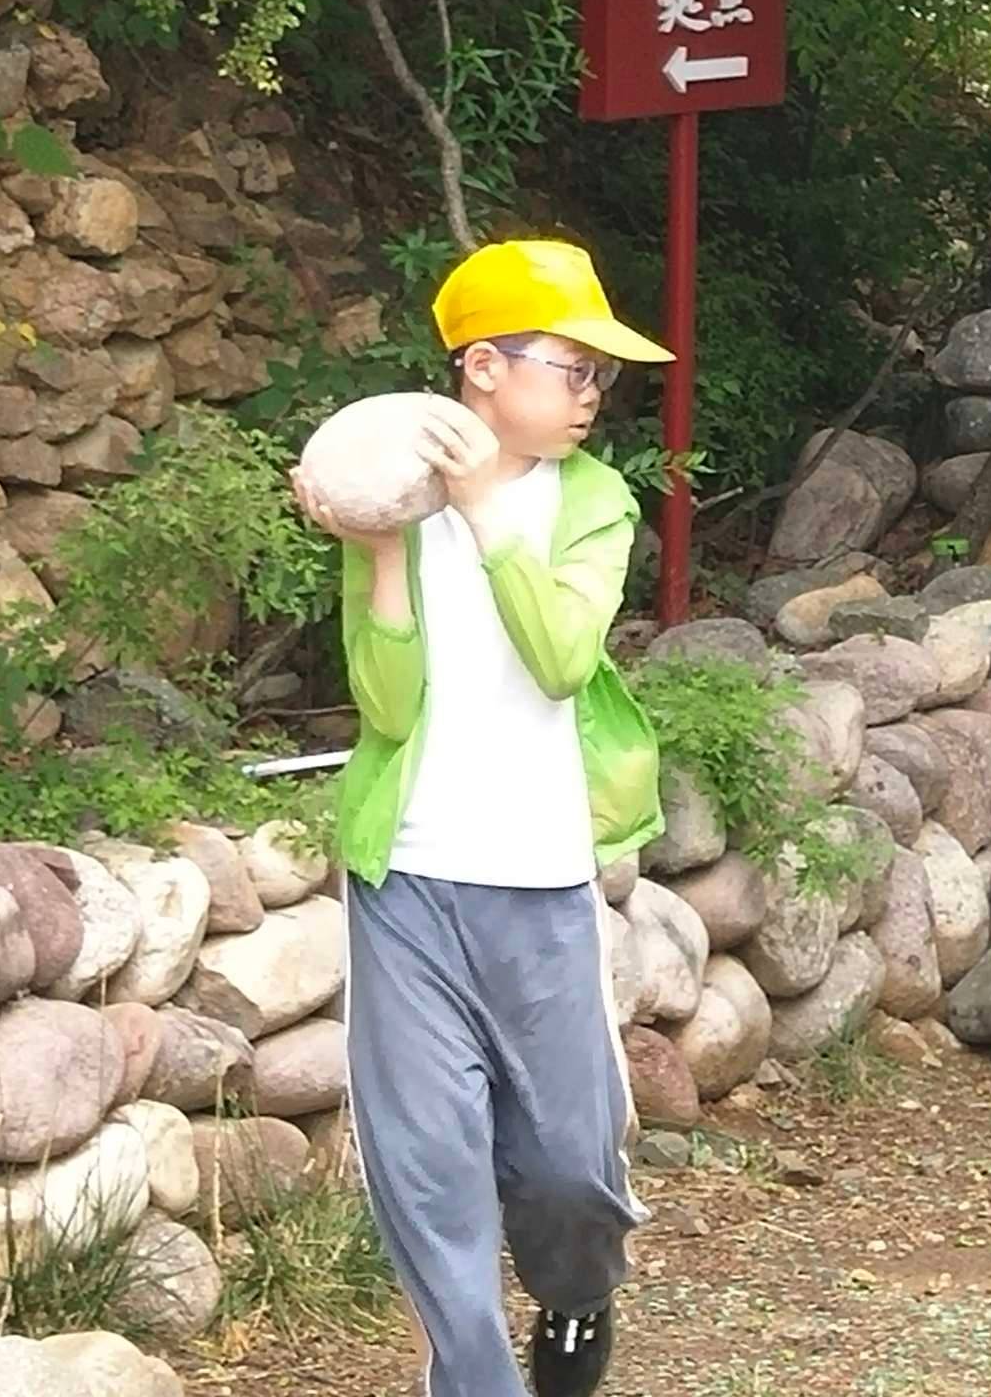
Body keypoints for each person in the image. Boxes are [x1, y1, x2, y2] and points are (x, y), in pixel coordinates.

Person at [293, 238, 673, 1397]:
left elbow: (561, 656)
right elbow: (389, 704)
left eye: (600, 373)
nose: (592, 394)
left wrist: (485, 508)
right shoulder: (389, 502)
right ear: (484, 369)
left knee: (569, 1165)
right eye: (575, 367)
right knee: (429, 1169)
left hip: (542, 876)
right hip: (406, 876)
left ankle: (574, 1291)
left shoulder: (591, 499)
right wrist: (382, 559)